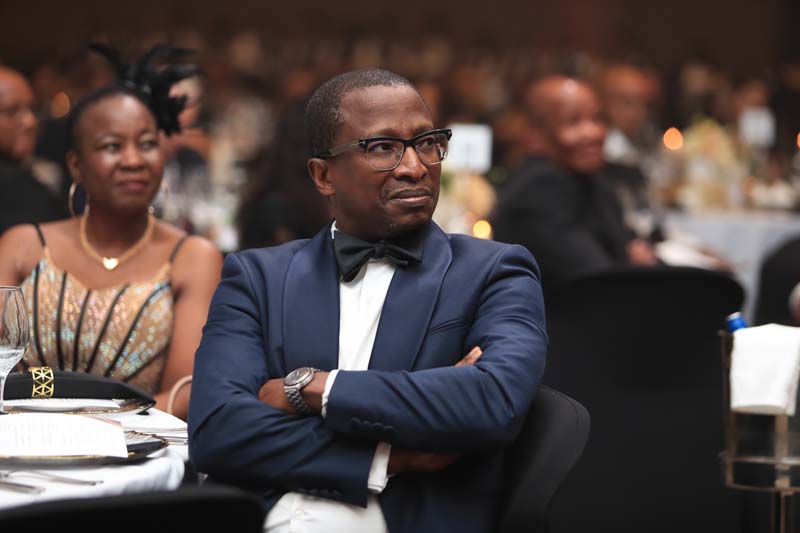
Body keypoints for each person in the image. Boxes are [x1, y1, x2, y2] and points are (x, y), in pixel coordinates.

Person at [188, 68, 547, 533]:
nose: (414, 167)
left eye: (427, 143)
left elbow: (493, 402)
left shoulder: (493, 271)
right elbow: (217, 431)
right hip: (263, 514)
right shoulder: (257, 277)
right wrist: (388, 456)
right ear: (324, 175)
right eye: (382, 148)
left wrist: (315, 389)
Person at [0, 45, 222, 420]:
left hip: (137, 445)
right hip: (20, 440)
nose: (133, 160)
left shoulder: (192, 256)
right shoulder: (23, 246)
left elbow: (185, 392)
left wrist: (92, 426)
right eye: (111, 146)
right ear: (76, 165)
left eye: (147, 144)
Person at [491, 75, 657, 293]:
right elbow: (599, 280)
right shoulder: (539, 188)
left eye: (597, 119)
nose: (593, 133)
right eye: (573, 122)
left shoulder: (587, 178)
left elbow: (630, 244)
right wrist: (632, 264)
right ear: (535, 134)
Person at [0, 66, 66, 234]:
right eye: (12, 111)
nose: (30, 121)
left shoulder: (32, 179)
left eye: (32, 109)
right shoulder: (15, 188)